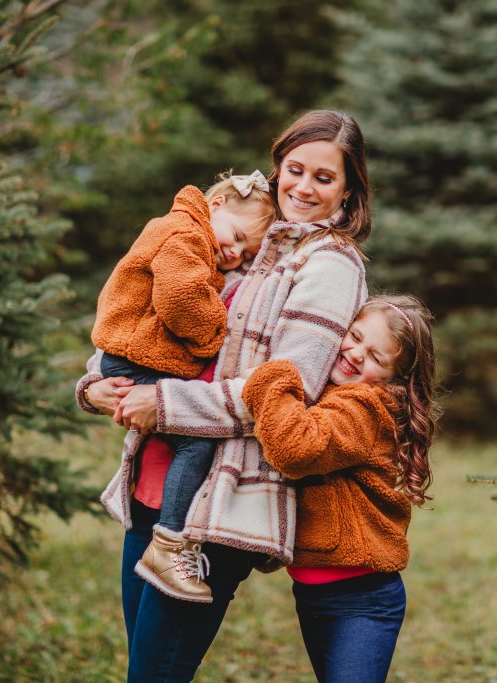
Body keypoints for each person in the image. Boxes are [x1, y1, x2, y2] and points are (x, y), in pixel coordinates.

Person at [78, 110, 372, 682]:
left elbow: (285, 393)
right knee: (142, 667)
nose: (303, 188)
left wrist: (164, 404)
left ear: (348, 190)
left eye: (324, 177)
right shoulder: (249, 236)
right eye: (295, 170)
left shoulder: (331, 267)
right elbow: (146, 316)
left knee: (155, 674)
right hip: (153, 484)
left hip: (217, 504)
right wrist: (95, 384)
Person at [91, 170, 274, 603]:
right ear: (215, 205)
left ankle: (167, 542)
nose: (234, 253)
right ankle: (169, 545)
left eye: (245, 252)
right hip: (133, 360)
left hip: (131, 356)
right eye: (235, 237)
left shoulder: (184, 232)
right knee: (196, 441)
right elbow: (179, 299)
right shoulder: (186, 234)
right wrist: (214, 334)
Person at [242, 294, 438, 683]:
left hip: (362, 600)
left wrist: (272, 375)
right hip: (313, 595)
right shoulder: (334, 394)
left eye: (376, 357)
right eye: (355, 336)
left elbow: (295, 448)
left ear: (393, 377)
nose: (356, 354)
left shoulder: (366, 407)